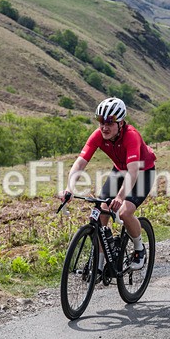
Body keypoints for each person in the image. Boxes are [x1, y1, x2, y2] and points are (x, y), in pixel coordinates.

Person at [61, 97, 156, 269]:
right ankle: (99, 261)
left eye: (110, 123)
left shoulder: (131, 136)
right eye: (101, 122)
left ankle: (139, 249)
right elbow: (80, 162)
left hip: (142, 172)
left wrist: (120, 197)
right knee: (99, 211)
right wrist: (69, 188)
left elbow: (133, 172)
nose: (104, 127)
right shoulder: (98, 135)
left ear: (120, 123)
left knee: (125, 212)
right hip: (120, 170)